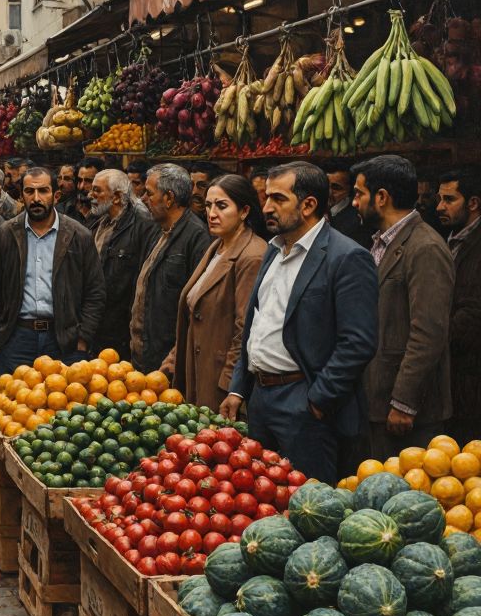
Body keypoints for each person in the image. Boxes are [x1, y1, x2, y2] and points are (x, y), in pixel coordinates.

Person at [221, 162, 378, 483]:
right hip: (261, 399)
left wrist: (319, 399)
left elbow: (358, 341)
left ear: (308, 205)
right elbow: (256, 324)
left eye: (278, 199)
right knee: (262, 502)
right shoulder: (274, 250)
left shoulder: (346, 257)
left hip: (304, 404)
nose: (266, 207)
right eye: (266, 197)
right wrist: (239, 388)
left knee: (307, 507)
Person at [352, 155, 453, 457]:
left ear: (381, 197)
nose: (354, 203)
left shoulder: (426, 248)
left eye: (359, 193)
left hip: (409, 412)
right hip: (377, 399)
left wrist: (403, 402)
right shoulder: (382, 242)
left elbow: (429, 332)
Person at [0, 166, 105, 374]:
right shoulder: (7, 234)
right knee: (13, 403)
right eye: (29, 191)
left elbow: (95, 292)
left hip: (64, 339)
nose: (36, 198)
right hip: (17, 338)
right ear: (22, 196)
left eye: (43, 191)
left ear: (56, 195)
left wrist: (82, 338)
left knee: (62, 404)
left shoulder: (78, 235)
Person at [161, 175, 267, 412]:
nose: (211, 213)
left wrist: (230, 384)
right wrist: (171, 363)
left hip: (221, 382)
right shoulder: (217, 246)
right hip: (198, 370)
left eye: (222, 206)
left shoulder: (252, 255)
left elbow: (245, 329)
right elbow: (192, 315)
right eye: (208, 205)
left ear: (244, 211)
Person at [130, 164, 211, 372]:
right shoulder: (155, 230)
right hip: (144, 352)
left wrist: (175, 354)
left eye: (149, 193)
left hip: (169, 359)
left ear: (169, 198)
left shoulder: (197, 237)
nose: (143, 199)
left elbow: (197, 307)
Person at [87, 169, 157, 358]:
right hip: (95, 324)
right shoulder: (95, 223)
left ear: (117, 197)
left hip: (120, 329)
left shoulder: (143, 228)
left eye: (97, 191)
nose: (90, 195)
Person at [439, 169, 481, 444]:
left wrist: (434, 339)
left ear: (473, 203)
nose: (439, 206)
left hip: (469, 375)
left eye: (449, 199)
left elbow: (472, 315)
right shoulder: (453, 239)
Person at [324, 158, 372, 248]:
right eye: (325, 186)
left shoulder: (358, 221)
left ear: (350, 190)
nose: (329, 192)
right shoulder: (319, 212)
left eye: (336, 188)